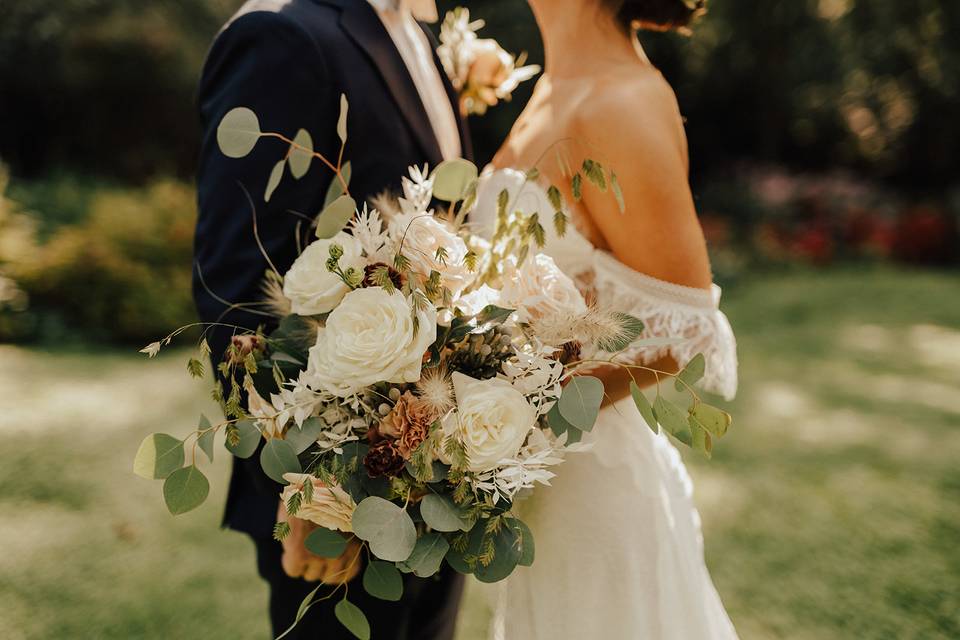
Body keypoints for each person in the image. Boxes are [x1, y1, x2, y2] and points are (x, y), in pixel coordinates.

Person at [192, 1, 470, 637]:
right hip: (334, 508)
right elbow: (234, 286)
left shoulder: (420, 37)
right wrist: (317, 488)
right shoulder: (282, 36)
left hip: (434, 481)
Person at [473, 0, 740, 637]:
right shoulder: (550, 88)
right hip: (534, 488)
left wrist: (512, 409)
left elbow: (683, 330)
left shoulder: (622, 99)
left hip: (594, 489)